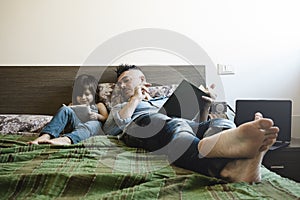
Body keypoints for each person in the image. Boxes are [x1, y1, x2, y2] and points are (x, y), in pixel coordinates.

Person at [103, 65, 279, 183]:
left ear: (142, 80)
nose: (121, 86)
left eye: (125, 80)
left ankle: (235, 165)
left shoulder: (165, 100)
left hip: (179, 126)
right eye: (119, 84)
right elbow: (110, 130)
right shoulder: (120, 106)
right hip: (141, 127)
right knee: (174, 125)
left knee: (219, 122)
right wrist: (135, 98)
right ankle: (227, 165)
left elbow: (197, 127)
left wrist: (205, 107)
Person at [29, 74, 108, 145]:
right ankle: (46, 136)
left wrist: (97, 116)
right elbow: (65, 117)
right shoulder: (73, 104)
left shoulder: (99, 105)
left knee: (94, 123)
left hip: (91, 128)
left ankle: (67, 140)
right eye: (80, 95)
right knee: (65, 109)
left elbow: (106, 119)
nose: (83, 97)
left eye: (87, 94)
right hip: (75, 125)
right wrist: (69, 108)